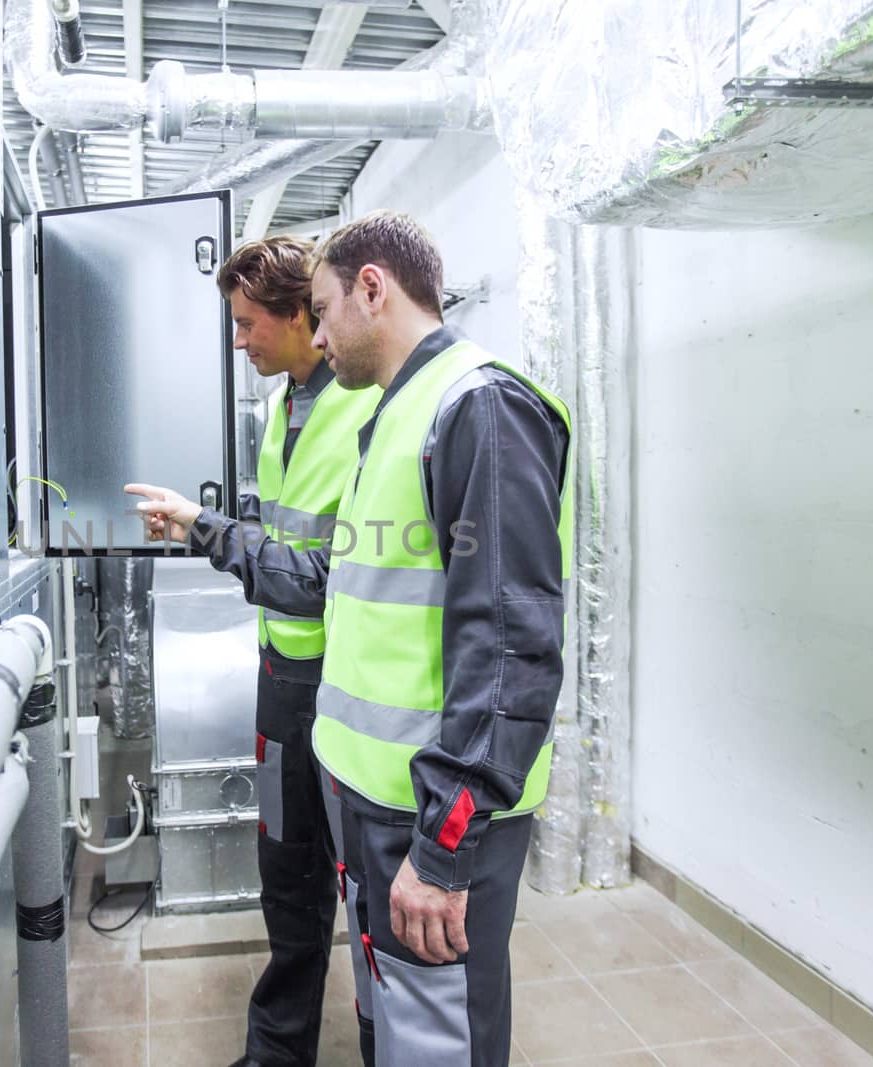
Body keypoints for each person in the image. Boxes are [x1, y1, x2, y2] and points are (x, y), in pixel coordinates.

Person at [126, 211, 571, 1067]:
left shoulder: (479, 407)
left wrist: (444, 851)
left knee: (436, 1030)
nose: (321, 335)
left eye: (322, 311)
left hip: (427, 806)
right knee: (395, 1017)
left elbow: (511, 649)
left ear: (372, 289)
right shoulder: (394, 414)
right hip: (367, 780)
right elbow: (366, 594)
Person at [211, 236, 378, 1067]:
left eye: (247, 324)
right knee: (287, 876)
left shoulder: (362, 405)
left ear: (298, 315)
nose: (239, 341)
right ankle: (277, 1055)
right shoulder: (286, 406)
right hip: (282, 685)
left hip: (342, 690)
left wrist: (212, 536)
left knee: (368, 892)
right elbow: (282, 524)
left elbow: (321, 578)